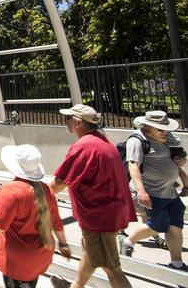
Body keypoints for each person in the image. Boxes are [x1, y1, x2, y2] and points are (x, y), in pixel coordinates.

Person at [49, 104, 135, 288]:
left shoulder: (84, 146)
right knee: (90, 253)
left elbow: (59, 182)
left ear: (78, 122)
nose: (66, 123)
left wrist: (31, 197)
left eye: (68, 119)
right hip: (108, 212)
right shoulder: (101, 141)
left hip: (98, 217)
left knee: (111, 267)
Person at [0, 144, 70, 287]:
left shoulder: (10, 192)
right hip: (41, 254)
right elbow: (56, 221)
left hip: (17, 260)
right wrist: (63, 244)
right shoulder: (46, 190)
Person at [119, 110, 188, 270]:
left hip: (169, 192)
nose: (165, 132)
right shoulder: (137, 140)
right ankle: (128, 241)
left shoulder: (167, 138)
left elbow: (177, 160)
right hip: (151, 193)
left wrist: (183, 169)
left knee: (175, 226)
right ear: (148, 127)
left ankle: (176, 262)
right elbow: (133, 165)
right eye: (160, 129)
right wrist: (141, 191)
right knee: (157, 226)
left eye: (166, 128)